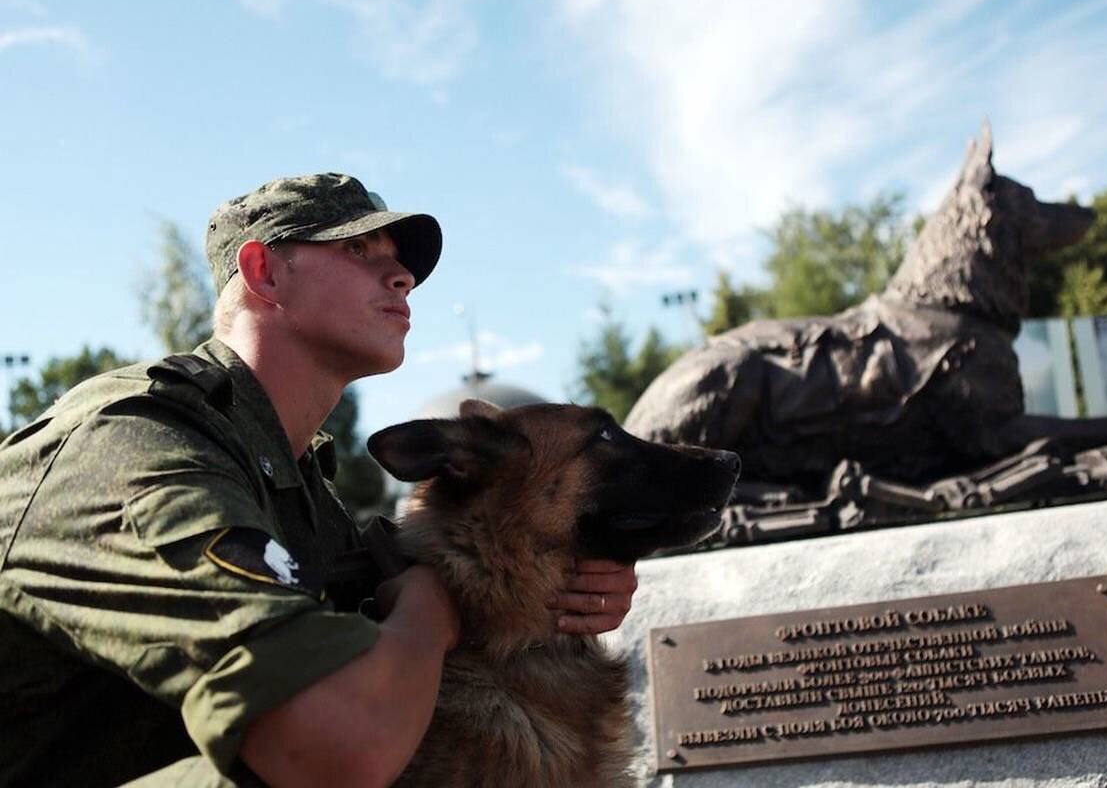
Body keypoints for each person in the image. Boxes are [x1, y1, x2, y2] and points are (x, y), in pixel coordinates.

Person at [0, 173, 639, 786]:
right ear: (264, 272)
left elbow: (393, 584)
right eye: (358, 248)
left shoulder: (289, 472)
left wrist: (549, 581)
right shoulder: (139, 443)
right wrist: (432, 608)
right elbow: (329, 752)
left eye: (401, 262)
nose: (403, 277)